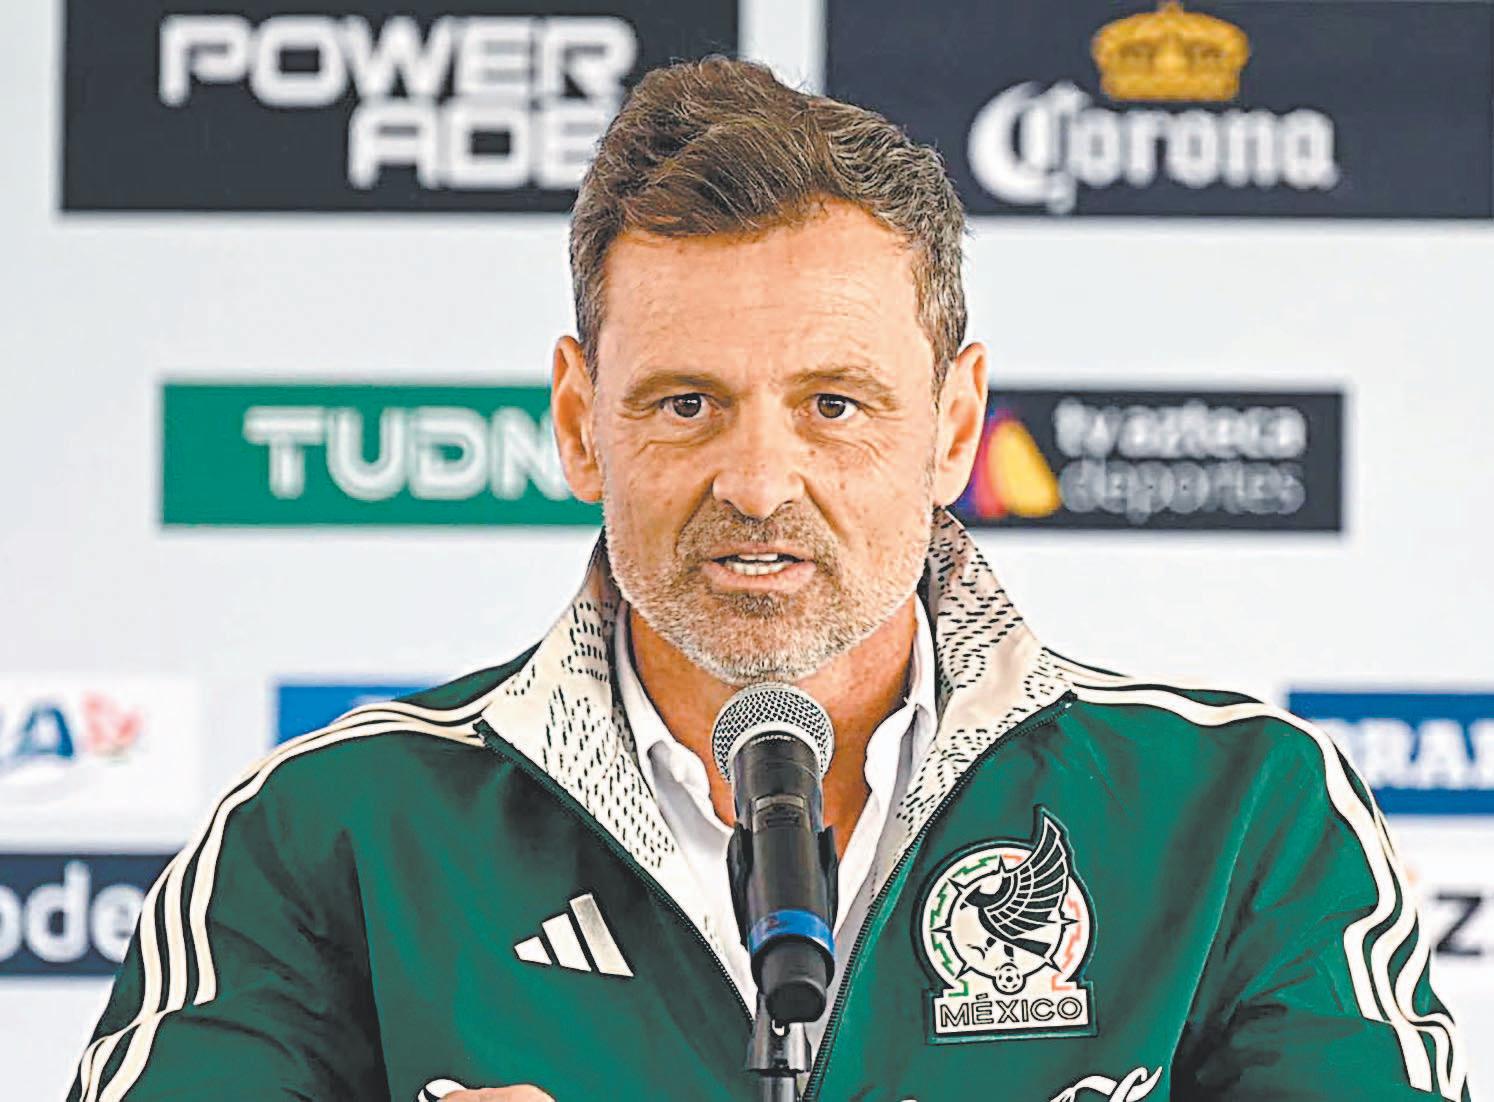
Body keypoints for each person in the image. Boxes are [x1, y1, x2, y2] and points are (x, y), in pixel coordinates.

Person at [71, 57, 1468, 1102]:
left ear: (955, 426)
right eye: (685, 403)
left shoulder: (1239, 812)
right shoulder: (330, 832)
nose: (755, 480)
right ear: (579, 421)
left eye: (833, 405)